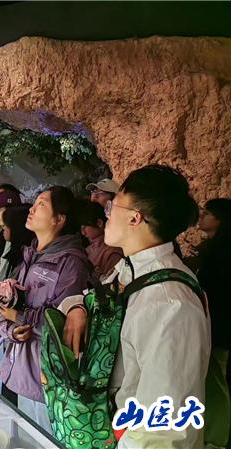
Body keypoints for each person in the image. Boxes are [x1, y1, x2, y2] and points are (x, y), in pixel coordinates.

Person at [60, 165, 210, 448]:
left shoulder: (169, 304)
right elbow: (97, 297)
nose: (106, 214)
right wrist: (77, 308)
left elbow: (165, 429)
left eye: (111, 206)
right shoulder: (131, 269)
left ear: (134, 218)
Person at [0, 186, 92, 433]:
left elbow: (64, 326)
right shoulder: (31, 255)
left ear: (59, 219)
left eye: (41, 204)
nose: (32, 209)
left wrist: (20, 317)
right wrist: (10, 329)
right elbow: (8, 310)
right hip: (18, 370)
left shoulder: (71, 263)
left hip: (46, 380)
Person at [192, 198, 231, 449]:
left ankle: (217, 439)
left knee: (217, 381)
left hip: (219, 326)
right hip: (211, 324)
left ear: (220, 219)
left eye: (207, 213)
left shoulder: (222, 252)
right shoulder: (213, 249)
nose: (202, 216)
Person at [0, 205, 35, 390]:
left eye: (6, 225)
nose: (2, 230)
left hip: (14, 334)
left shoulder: (24, 260)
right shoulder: (15, 255)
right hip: (5, 330)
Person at [78, 199, 123, 281]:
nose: (83, 232)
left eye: (85, 227)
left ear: (99, 223)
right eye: (81, 228)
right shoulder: (87, 250)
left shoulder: (113, 252)